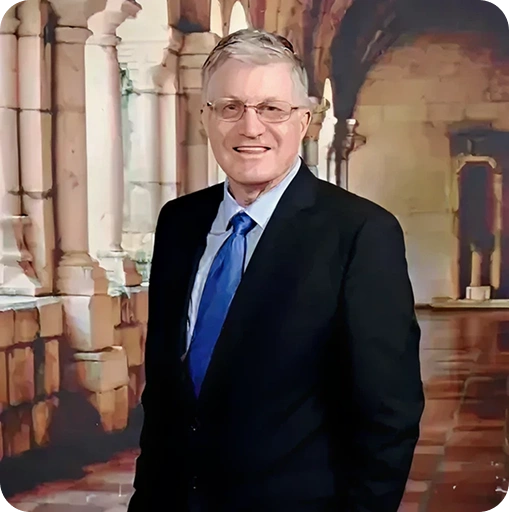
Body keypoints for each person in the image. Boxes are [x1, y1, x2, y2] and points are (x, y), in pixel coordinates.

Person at [127, 28, 424, 512]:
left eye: (271, 108)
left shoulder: (360, 233)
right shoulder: (179, 222)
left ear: (304, 121)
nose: (251, 128)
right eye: (230, 107)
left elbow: (388, 416)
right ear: (206, 118)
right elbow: (164, 394)